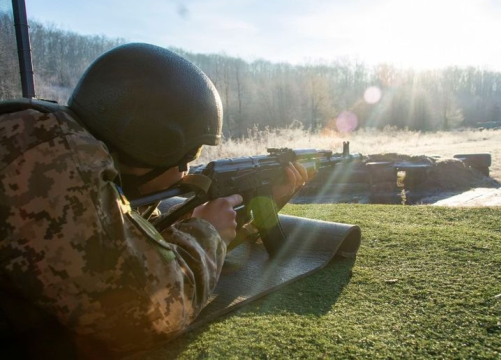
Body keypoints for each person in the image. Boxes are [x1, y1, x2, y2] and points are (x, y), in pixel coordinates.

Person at [0, 43, 310, 357]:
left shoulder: (50, 138)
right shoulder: (53, 162)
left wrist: (264, 199)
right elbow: (147, 311)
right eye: (191, 153)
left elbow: (125, 242)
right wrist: (206, 232)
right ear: (153, 145)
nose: (187, 168)